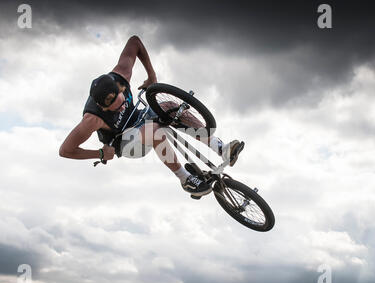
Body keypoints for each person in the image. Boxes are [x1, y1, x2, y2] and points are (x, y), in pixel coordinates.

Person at [59, 36, 244, 197]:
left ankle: (221, 148)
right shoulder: (92, 118)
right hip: (125, 142)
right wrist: (99, 153)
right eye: (116, 107)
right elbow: (65, 150)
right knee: (154, 130)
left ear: (119, 87)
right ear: (102, 107)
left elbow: (135, 42)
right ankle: (185, 179)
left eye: (122, 100)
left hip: (140, 118)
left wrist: (151, 76)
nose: (122, 104)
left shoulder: (121, 74)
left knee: (171, 107)